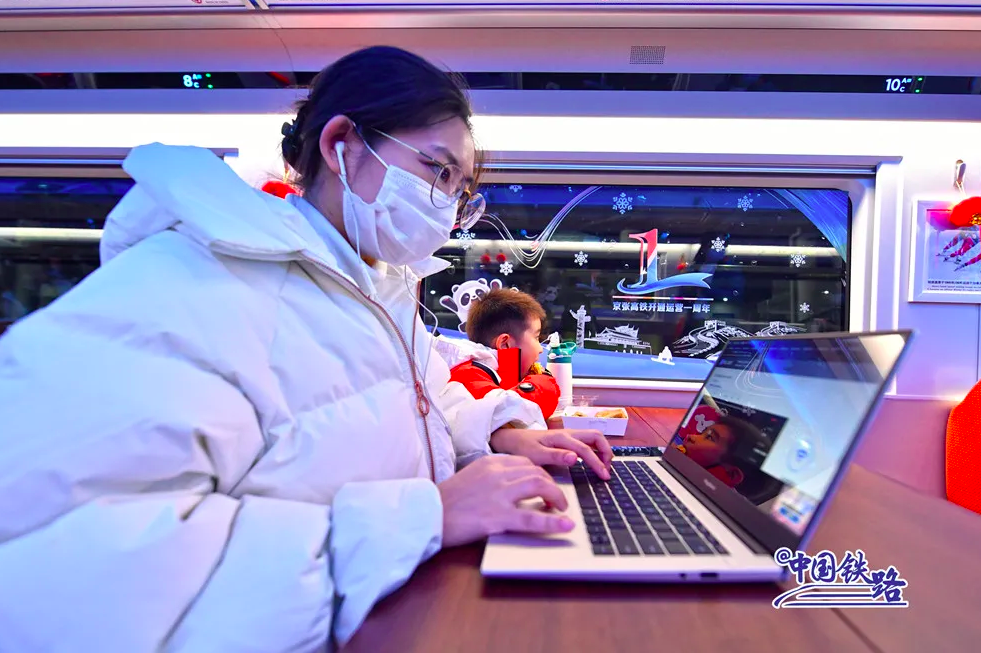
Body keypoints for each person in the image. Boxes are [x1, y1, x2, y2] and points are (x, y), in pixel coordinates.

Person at [0, 46, 612, 652]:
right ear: (341, 144)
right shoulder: (187, 288)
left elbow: (417, 397)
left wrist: (500, 431)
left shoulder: (371, 289)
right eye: (437, 169)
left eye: (460, 188)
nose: (448, 207)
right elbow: (72, 572)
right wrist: (421, 519)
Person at [440, 288, 561, 421]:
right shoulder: (467, 375)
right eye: (536, 337)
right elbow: (510, 414)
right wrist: (544, 380)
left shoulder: (502, 373)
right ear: (505, 344)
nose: (540, 349)